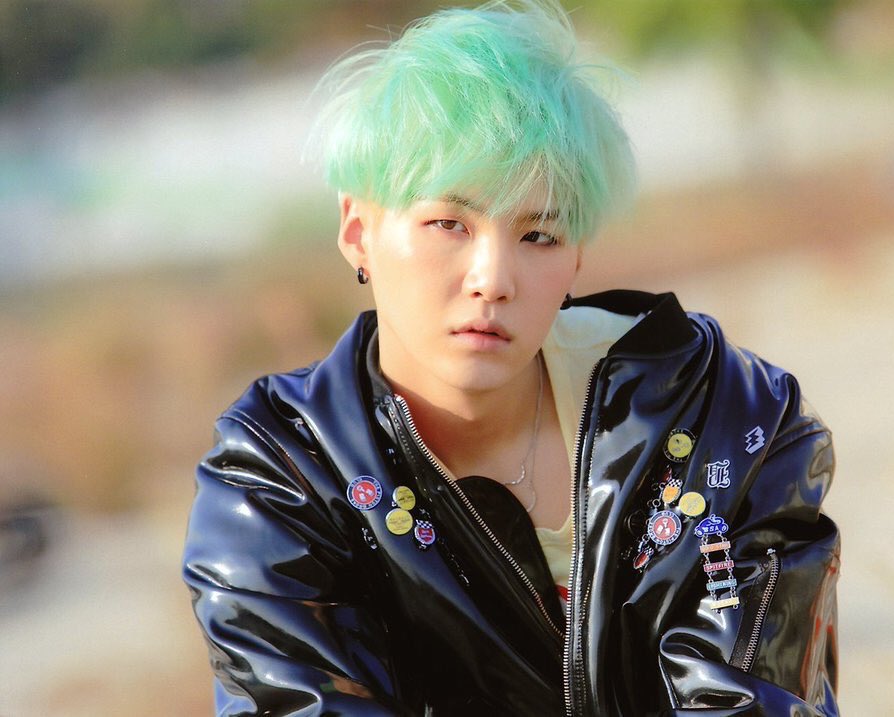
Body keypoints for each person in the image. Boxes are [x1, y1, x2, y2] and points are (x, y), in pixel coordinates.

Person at [182, 1, 840, 715]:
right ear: (357, 230)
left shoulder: (718, 416)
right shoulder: (283, 477)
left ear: (577, 255)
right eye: (448, 223)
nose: (493, 279)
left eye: (539, 235)